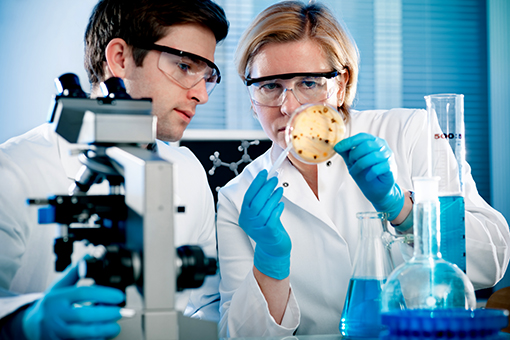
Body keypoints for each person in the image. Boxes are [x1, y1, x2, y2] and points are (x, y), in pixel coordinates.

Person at [216, 0, 510, 337]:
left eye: (309, 83)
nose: (289, 106)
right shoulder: (238, 198)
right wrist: (270, 263)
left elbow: (492, 261)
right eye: (270, 86)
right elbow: (238, 336)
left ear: (340, 85)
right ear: (252, 100)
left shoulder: (412, 131)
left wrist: (403, 210)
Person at [0, 0, 228, 339]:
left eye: (207, 76)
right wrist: (22, 324)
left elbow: (206, 305)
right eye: (183, 66)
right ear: (120, 58)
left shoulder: (188, 170)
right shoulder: (12, 171)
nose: (201, 95)